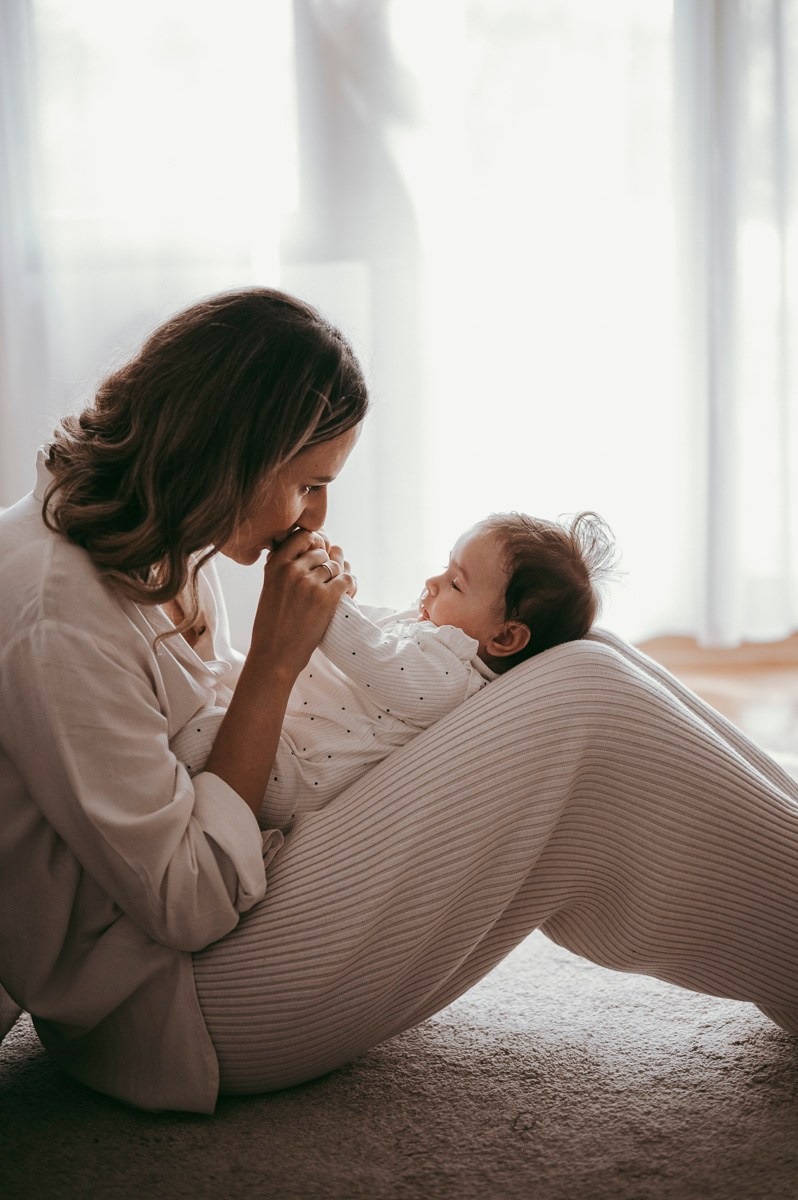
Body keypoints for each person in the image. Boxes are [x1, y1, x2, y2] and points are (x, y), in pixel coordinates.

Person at [1, 287, 797, 1117]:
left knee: (577, 653)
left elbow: (198, 726)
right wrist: (276, 663)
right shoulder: (55, 609)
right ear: (233, 452)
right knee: (584, 699)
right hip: (180, 1002)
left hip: (244, 896)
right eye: (308, 483)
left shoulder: (151, 531)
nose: (316, 514)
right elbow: (187, 898)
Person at [170, 511, 617, 829]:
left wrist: (327, 599)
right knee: (219, 678)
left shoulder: (451, 678)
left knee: (197, 733)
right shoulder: (432, 634)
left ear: (504, 638)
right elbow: (371, 629)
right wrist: (338, 582)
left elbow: (370, 653)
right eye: (445, 567)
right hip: (283, 731)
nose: (433, 582)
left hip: (291, 774)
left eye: (456, 583)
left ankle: (157, 793)